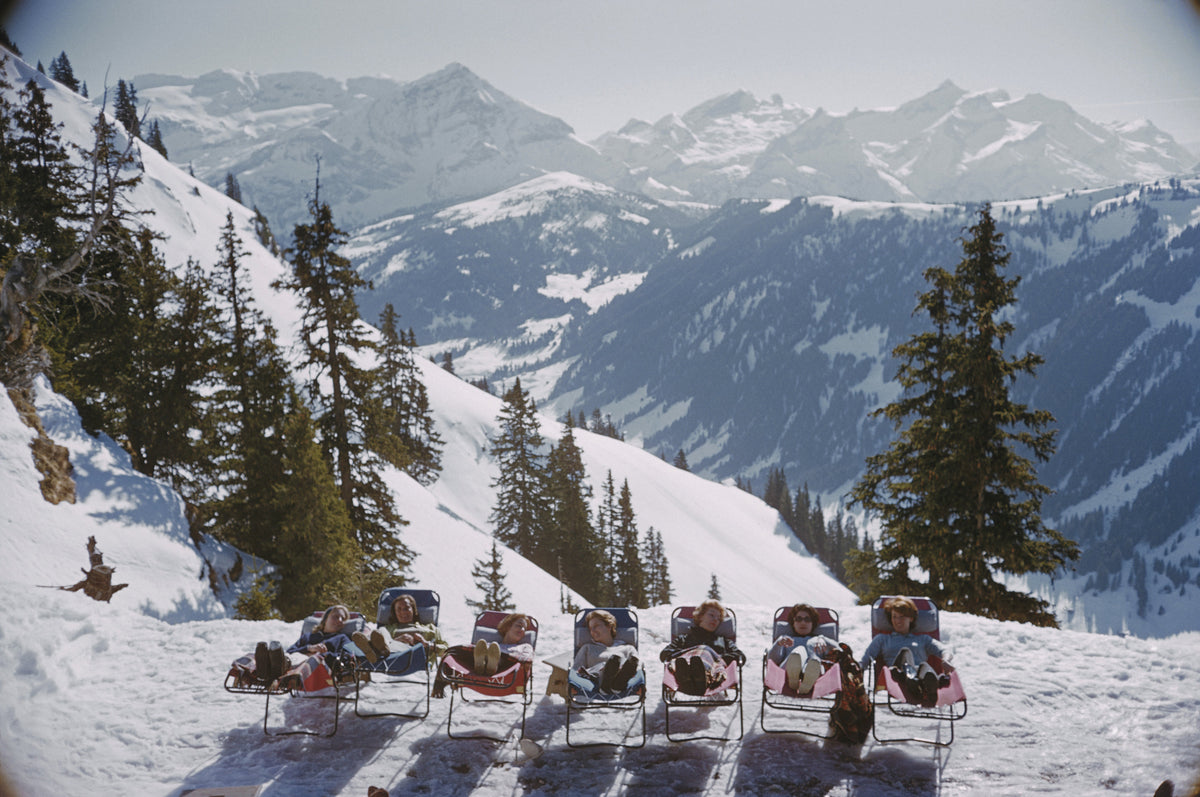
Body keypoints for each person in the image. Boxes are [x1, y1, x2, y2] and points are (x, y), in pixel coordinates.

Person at [858, 596, 954, 707]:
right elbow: (865, 660)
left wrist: (946, 660)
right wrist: (856, 669)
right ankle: (914, 682)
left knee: (925, 667)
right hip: (897, 676)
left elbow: (944, 650)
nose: (897, 621)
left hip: (919, 676)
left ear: (911, 618)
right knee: (905, 652)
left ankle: (928, 687)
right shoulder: (882, 638)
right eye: (894, 617)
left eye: (902, 617)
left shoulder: (923, 639)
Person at [659, 599, 745, 696]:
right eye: (711, 615)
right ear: (700, 617)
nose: (715, 620)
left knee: (705, 650)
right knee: (697, 654)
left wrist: (718, 658)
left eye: (718, 618)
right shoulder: (684, 639)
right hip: (686, 664)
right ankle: (691, 675)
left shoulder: (723, 641)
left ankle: (699, 677)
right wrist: (685, 653)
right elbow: (664, 654)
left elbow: (741, 656)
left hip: (713, 671)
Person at [351, 593, 447, 665]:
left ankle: (376, 650)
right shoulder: (388, 628)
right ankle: (377, 649)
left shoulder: (430, 628)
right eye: (399, 609)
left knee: (385, 636)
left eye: (406, 608)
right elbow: (381, 634)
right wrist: (397, 640)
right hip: (391, 657)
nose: (403, 612)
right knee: (381, 631)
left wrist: (426, 644)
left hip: (415, 656)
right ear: (395, 613)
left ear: (413, 610)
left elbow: (446, 650)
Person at [769, 603, 837, 695]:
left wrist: (824, 640)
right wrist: (778, 644)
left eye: (807, 619)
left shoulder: (819, 640)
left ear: (813, 623)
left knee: (814, 661)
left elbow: (840, 651)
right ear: (793, 622)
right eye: (798, 619)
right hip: (786, 672)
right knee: (799, 651)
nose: (803, 623)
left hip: (816, 673)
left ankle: (808, 679)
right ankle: (794, 678)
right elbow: (772, 661)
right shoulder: (786, 639)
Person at [570, 609, 640, 693]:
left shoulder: (628, 648)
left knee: (623, 661)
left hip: (622, 680)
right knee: (612, 663)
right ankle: (606, 684)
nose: (592, 631)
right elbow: (576, 670)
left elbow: (637, 667)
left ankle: (617, 683)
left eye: (596, 626)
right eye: (590, 628)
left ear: (609, 626)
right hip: (594, 680)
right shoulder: (587, 648)